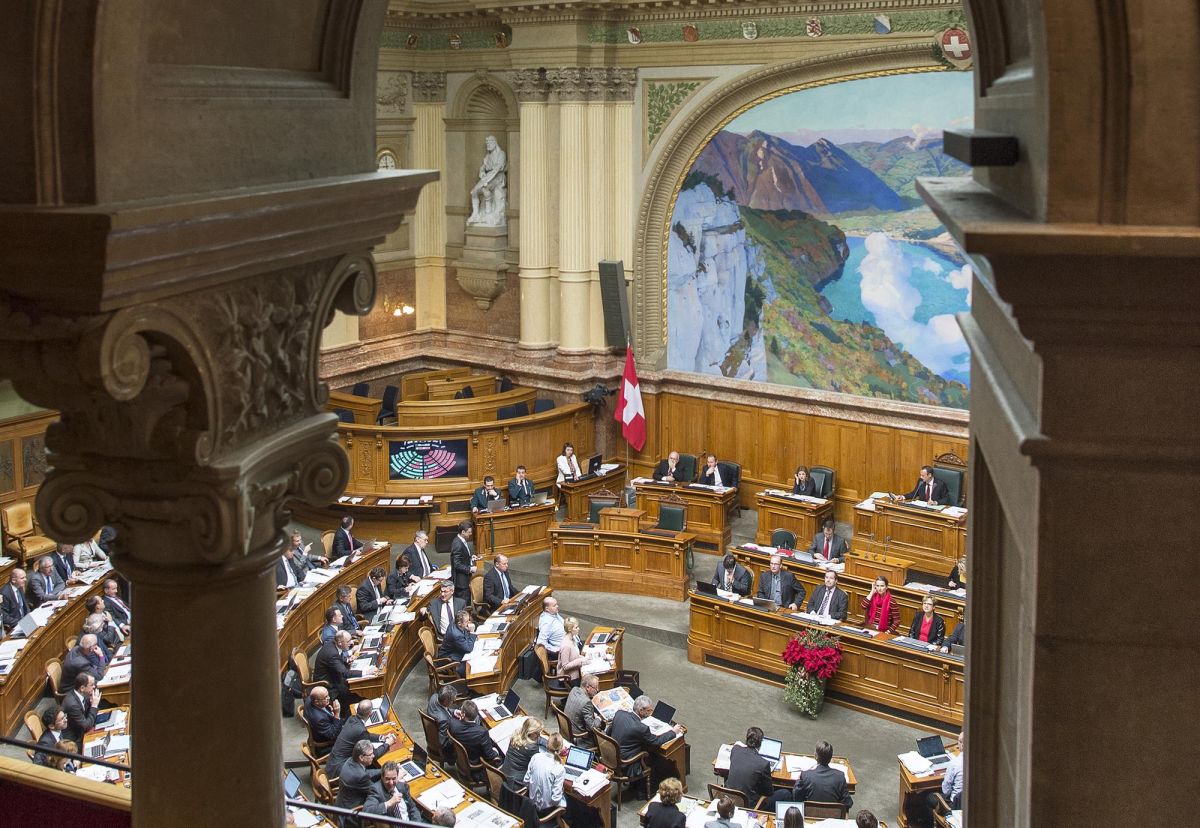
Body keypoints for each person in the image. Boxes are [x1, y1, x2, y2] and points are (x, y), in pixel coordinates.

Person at [610, 695, 682, 783]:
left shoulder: (619, 714)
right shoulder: (641, 728)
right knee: (655, 757)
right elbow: (657, 741)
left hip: (611, 756)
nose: (650, 712)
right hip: (626, 764)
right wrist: (673, 732)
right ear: (641, 710)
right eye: (648, 710)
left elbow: (609, 732)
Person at [327, 699, 397, 779]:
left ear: (357, 710)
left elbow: (366, 735)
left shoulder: (352, 718)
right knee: (376, 768)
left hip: (332, 763)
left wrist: (382, 738)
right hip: (340, 769)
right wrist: (388, 743)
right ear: (371, 714)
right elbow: (374, 754)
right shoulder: (360, 731)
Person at [791, 740, 852, 809]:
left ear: (816, 756)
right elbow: (848, 803)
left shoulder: (805, 775)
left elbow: (796, 798)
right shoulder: (840, 776)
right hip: (832, 814)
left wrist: (798, 780)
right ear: (830, 758)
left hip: (809, 814)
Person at [313, 630, 360, 717]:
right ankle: (349, 713)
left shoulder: (334, 644)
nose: (351, 643)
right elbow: (344, 673)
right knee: (353, 691)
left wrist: (346, 660)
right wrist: (365, 672)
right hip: (328, 683)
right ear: (340, 643)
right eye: (348, 641)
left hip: (333, 674)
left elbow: (337, 659)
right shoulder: (332, 653)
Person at [447, 700, 502, 773]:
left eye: (461, 709)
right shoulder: (482, 732)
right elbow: (489, 756)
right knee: (501, 755)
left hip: (461, 758)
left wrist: (455, 712)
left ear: (463, 714)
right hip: (474, 763)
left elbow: (447, 712)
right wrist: (496, 751)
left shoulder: (453, 724)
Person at [335, 739, 382, 823]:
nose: (373, 756)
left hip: (342, 804)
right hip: (351, 815)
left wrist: (384, 770)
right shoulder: (360, 776)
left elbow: (367, 773)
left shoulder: (351, 761)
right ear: (361, 757)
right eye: (370, 754)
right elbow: (376, 791)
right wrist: (393, 777)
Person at [726, 726, 774, 806]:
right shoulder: (763, 763)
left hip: (729, 798)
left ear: (747, 739)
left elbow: (737, 744)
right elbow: (769, 792)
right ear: (760, 743)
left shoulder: (735, 750)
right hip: (748, 804)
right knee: (785, 793)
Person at [525, 731, 567, 815]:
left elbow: (526, 781)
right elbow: (555, 799)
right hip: (546, 810)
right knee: (570, 802)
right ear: (560, 749)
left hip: (531, 804)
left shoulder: (535, 757)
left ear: (547, 744)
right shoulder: (559, 768)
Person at [564, 673, 603, 746]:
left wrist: (591, 713)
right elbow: (592, 727)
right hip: (580, 736)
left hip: (569, 727)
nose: (597, 690)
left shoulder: (574, 689)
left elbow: (580, 710)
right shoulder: (586, 702)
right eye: (595, 688)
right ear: (587, 687)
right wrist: (599, 718)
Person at [501, 717, 544, 784]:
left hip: (505, 771)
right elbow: (538, 764)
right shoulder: (532, 748)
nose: (539, 735)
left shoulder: (515, 735)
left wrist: (548, 743)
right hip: (517, 781)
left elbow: (538, 739)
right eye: (536, 733)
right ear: (530, 732)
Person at [62, 672, 101, 744]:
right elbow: (85, 727)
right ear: (82, 688)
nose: (94, 687)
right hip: (75, 739)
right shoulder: (72, 705)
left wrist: (92, 703)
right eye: (92, 685)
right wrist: (94, 705)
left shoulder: (83, 694)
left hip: (83, 729)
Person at [303, 686, 342, 754]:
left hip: (322, 729)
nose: (329, 698)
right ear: (317, 702)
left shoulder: (309, 699)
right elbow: (333, 735)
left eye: (328, 695)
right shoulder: (319, 719)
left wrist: (328, 710)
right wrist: (337, 714)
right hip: (326, 743)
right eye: (325, 697)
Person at [438, 609, 477, 676]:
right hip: (450, 658)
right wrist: (472, 632)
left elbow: (464, 635)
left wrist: (466, 628)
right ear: (459, 623)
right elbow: (468, 649)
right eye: (467, 621)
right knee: (472, 667)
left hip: (455, 650)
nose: (469, 623)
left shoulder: (455, 622)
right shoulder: (456, 635)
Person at [426, 685, 460, 758]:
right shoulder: (444, 720)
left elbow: (443, 709)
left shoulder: (434, 697)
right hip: (443, 748)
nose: (454, 702)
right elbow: (443, 743)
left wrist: (454, 711)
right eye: (452, 701)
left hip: (433, 733)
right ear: (445, 701)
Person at [449, 521, 477, 601]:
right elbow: (457, 564)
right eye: (469, 532)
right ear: (463, 532)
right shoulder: (457, 544)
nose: (470, 534)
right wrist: (470, 569)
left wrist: (470, 557)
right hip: (461, 582)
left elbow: (462, 556)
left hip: (465, 579)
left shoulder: (462, 540)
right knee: (463, 603)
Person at [555, 617, 586, 685]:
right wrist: (580, 660)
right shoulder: (566, 645)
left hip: (574, 674)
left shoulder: (572, 639)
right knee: (588, 682)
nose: (578, 629)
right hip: (567, 679)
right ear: (569, 629)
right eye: (576, 627)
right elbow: (565, 666)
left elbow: (574, 656)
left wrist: (584, 658)